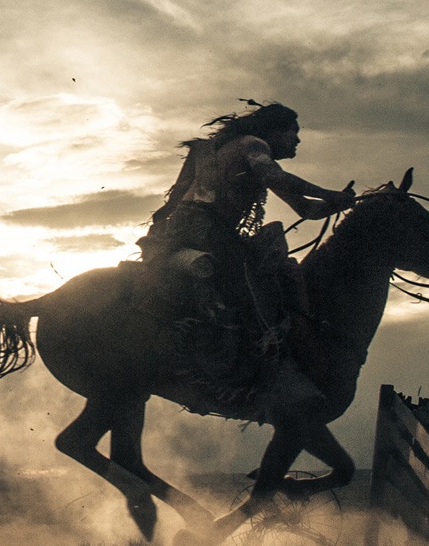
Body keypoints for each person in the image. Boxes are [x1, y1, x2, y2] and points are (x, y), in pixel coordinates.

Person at [139, 101, 354, 395]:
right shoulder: (254, 146)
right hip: (211, 234)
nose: (298, 140)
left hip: (183, 232)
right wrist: (329, 193)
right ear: (274, 131)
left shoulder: (221, 153)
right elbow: (273, 177)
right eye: (293, 132)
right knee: (269, 284)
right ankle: (254, 357)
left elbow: (305, 209)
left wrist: (335, 204)